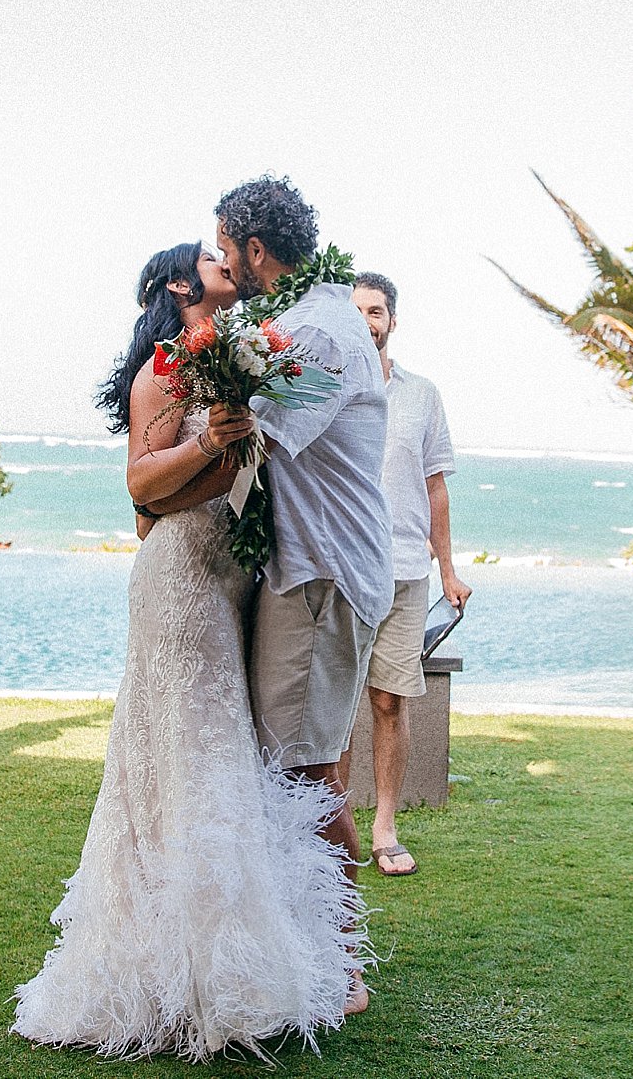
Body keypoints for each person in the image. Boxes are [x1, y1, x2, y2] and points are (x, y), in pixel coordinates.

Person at [14, 243, 366, 1058]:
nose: (225, 262)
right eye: (209, 256)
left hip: (230, 576)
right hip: (181, 581)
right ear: (181, 283)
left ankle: (241, 959)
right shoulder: (168, 368)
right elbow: (141, 493)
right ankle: (182, 970)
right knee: (188, 753)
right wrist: (217, 446)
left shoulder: (242, 354)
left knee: (219, 757)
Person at [216, 177, 389, 979]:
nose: (224, 263)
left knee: (306, 770)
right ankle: (303, 945)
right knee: (291, 762)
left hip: (321, 576)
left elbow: (257, 444)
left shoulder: (318, 332)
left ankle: (345, 959)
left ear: (257, 250)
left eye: (226, 249)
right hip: (307, 571)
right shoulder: (307, 320)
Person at [335, 270, 467, 879]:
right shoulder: (326, 385)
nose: (368, 321)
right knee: (334, 706)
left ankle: (385, 827)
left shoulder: (423, 394)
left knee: (390, 700)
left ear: (392, 320)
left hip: (408, 569)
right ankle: (335, 825)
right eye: (357, 310)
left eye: (377, 311)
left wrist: (449, 569)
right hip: (342, 567)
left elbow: (434, 486)